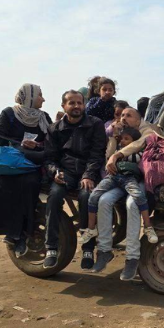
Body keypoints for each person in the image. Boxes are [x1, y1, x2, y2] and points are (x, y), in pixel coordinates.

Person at [0, 84, 51, 257]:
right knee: (3, 187)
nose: (43, 99)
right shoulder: (9, 113)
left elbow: (52, 141)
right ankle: (11, 232)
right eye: (40, 95)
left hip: (32, 162)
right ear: (29, 97)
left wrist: (37, 145)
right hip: (11, 163)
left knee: (30, 184)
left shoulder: (44, 117)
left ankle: (19, 234)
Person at [43, 90, 108, 269]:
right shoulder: (54, 129)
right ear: (64, 106)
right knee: (54, 197)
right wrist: (55, 172)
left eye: (79, 103)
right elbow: (49, 158)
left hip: (87, 173)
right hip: (65, 173)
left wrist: (89, 175)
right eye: (72, 103)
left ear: (84, 105)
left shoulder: (95, 124)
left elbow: (97, 154)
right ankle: (51, 248)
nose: (76, 106)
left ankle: (88, 248)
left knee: (86, 198)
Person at [81, 126, 158, 273]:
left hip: (136, 181)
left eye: (128, 115)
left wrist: (118, 156)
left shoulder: (147, 133)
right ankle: (104, 251)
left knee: (132, 204)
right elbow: (109, 156)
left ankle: (132, 257)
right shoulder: (118, 141)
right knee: (103, 200)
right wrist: (113, 141)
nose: (123, 118)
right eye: (122, 115)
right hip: (118, 180)